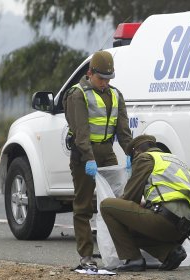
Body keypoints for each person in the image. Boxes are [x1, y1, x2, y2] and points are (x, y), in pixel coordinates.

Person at [62, 50, 132, 269]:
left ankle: (121, 252)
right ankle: (86, 255)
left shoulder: (116, 95)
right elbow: (81, 133)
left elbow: (123, 131)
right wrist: (89, 158)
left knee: (117, 202)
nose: (104, 83)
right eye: (101, 78)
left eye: (108, 79)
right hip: (84, 155)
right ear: (90, 73)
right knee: (83, 206)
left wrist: (130, 152)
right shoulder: (77, 94)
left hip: (106, 151)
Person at [100, 134, 190, 272]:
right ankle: (170, 252)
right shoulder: (175, 160)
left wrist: (117, 204)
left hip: (163, 221)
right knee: (135, 224)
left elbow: (130, 197)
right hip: (183, 228)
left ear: (137, 151)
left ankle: (134, 259)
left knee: (107, 206)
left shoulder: (145, 158)